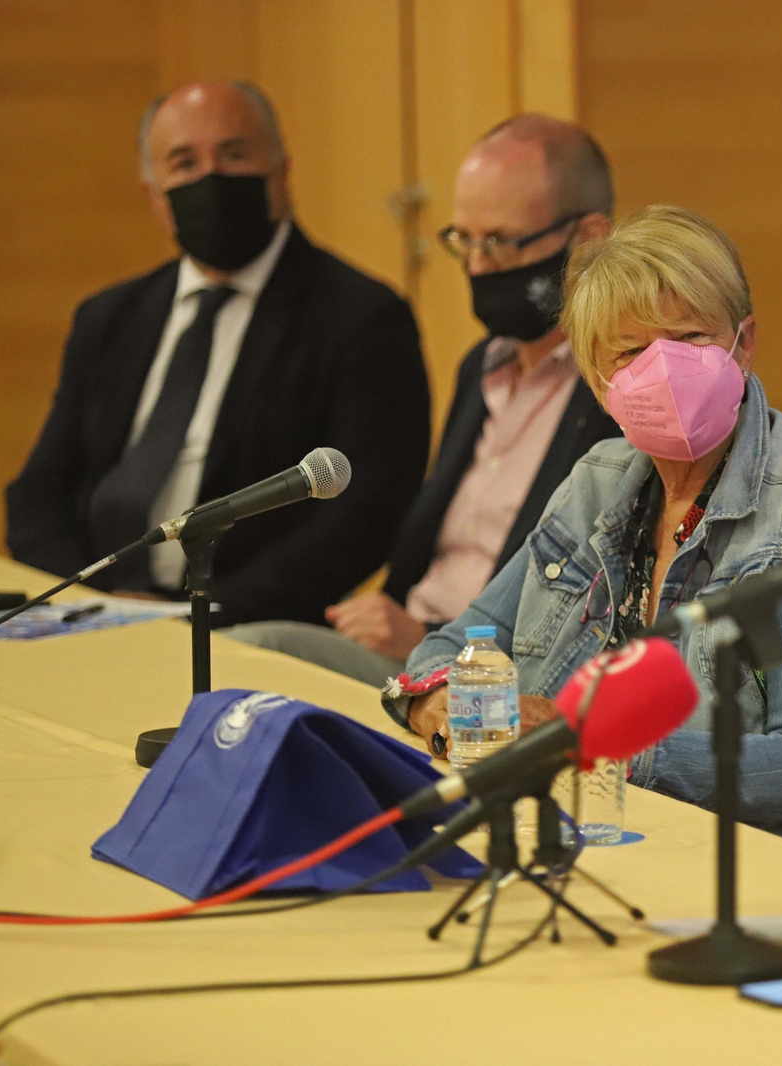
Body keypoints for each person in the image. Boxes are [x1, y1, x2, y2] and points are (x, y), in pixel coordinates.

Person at [384, 205, 782, 848]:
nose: (664, 369)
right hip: (606, 830)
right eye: (633, 351)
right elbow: (458, 644)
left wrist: (590, 746)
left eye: (689, 339)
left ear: (743, 343)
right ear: (597, 377)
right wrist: (436, 704)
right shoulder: (600, 479)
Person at [5, 81, 430, 626]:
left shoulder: (362, 317)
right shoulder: (108, 318)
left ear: (281, 172)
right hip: (93, 614)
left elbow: (365, 512)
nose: (211, 178)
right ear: (154, 196)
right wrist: (90, 603)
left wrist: (194, 615)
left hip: (244, 624)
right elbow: (40, 491)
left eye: (234, 155)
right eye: (184, 163)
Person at [226, 115, 620, 684]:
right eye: (465, 241)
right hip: (407, 650)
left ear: (588, 238)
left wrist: (437, 640)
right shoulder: (480, 368)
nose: (479, 267)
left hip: (487, 675)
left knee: (245, 655)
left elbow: (584, 602)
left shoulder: (615, 390)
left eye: (502, 244)